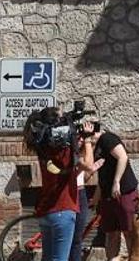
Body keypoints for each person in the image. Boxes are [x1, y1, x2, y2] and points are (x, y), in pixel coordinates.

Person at [23, 108, 96, 261]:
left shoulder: (42, 146)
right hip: (63, 209)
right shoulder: (65, 152)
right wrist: (87, 139)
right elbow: (89, 165)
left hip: (47, 211)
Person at [88, 127, 139, 261]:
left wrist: (117, 182)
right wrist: (95, 198)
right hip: (107, 196)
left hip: (123, 192)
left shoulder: (107, 138)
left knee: (129, 232)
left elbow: (123, 157)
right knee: (111, 234)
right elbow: (102, 175)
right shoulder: (95, 147)